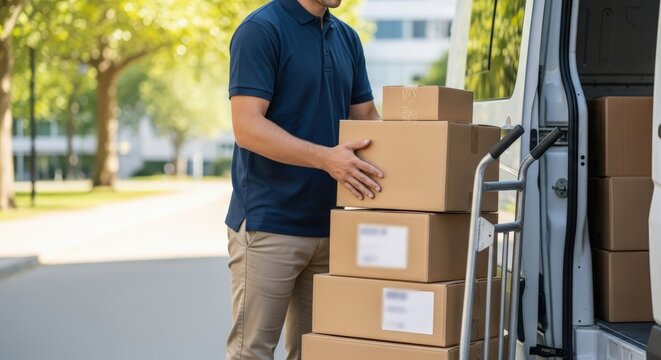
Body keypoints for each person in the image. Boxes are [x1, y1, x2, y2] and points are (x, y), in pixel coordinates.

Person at [225, 0, 382, 359]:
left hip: (331, 228)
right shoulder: (261, 30)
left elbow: (367, 115)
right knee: (252, 352)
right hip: (270, 227)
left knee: (317, 353)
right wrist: (327, 159)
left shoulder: (347, 38)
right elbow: (247, 126)